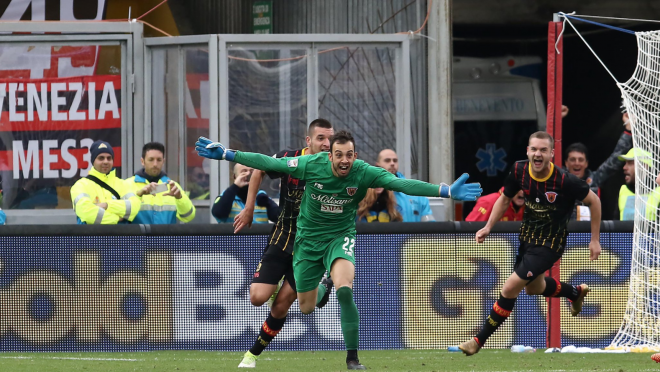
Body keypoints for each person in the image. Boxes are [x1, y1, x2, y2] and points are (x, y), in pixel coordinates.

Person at [196, 130, 482, 370]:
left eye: (349, 155)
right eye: (339, 155)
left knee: (346, 287)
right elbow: (262, 162)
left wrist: (445, 192)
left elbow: (401, 183)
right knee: (307, 307)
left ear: (354, 156)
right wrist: (226, 154)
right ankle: (323, 285)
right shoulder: (310, 165)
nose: (344, 160)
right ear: (329, 155)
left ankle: (353, 358)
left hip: (339, 238)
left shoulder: (363, 172)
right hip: (307, 243)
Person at [458, 131, 601, 356]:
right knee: (534, 288)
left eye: (543, 150)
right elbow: (504, 199)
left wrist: (594, 240)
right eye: (534, 149)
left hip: (550, 244)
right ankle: (575, 292)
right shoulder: (519, 170)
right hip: (527, 239)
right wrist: (488, 227)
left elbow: (595, 201)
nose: (538, 154)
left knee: (509, 288)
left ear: (552, 154)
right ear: (527, 151)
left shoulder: (565, 180)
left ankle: (477, 341)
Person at [232, 119, 335, 368]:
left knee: (284, 304)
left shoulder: (335, 168)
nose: (327, 144)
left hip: (309, 247)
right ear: (308, 141)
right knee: (257, 297)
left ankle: (252, 354)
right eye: (321, 138)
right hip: (283, 237)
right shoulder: (289, 159)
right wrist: (248, 208)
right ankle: (314, 289)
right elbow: (258, 169)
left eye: (329, 139)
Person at [70, 140, 140, 225]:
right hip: (92, 238)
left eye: (109, 158)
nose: (106, 161)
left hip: (119, 238)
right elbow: (86, 213)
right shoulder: (80, 185)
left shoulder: (123, 184)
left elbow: (134, 207)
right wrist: (116, 219)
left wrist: (107, 205)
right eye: (101, 158)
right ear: (93, 161)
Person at [126, 142, 196, 224]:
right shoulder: (127, 185)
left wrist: (179, 198)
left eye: (159, 160)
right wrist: (138, 196)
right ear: (142, 161)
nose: (155, 164)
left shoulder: (173, 186)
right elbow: (119, 217)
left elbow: (188, 217)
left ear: (163, 161)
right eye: (151, 160)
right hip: (138, 237)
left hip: (165, 237)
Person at [375, 149, 435, 222]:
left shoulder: (415, 192)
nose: (392, 163)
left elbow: (430, 227)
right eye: (387, 160)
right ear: (378, 165)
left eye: (395, 160)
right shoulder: (371, 192)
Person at [212, 163, 280, 224]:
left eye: (251, 172)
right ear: (235, 177)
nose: (248, 174)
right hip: (234, 237)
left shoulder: (261, 197)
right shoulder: (226, 196)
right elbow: (218, 213)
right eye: (244, 171)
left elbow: (280, 217)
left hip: (259, 237)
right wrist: (235, 186)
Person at [616, 148, 660, 221]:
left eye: (630, 163)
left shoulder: (658, 193)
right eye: (625, 163)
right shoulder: (623, 191)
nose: (624, 167)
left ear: (644, 166)